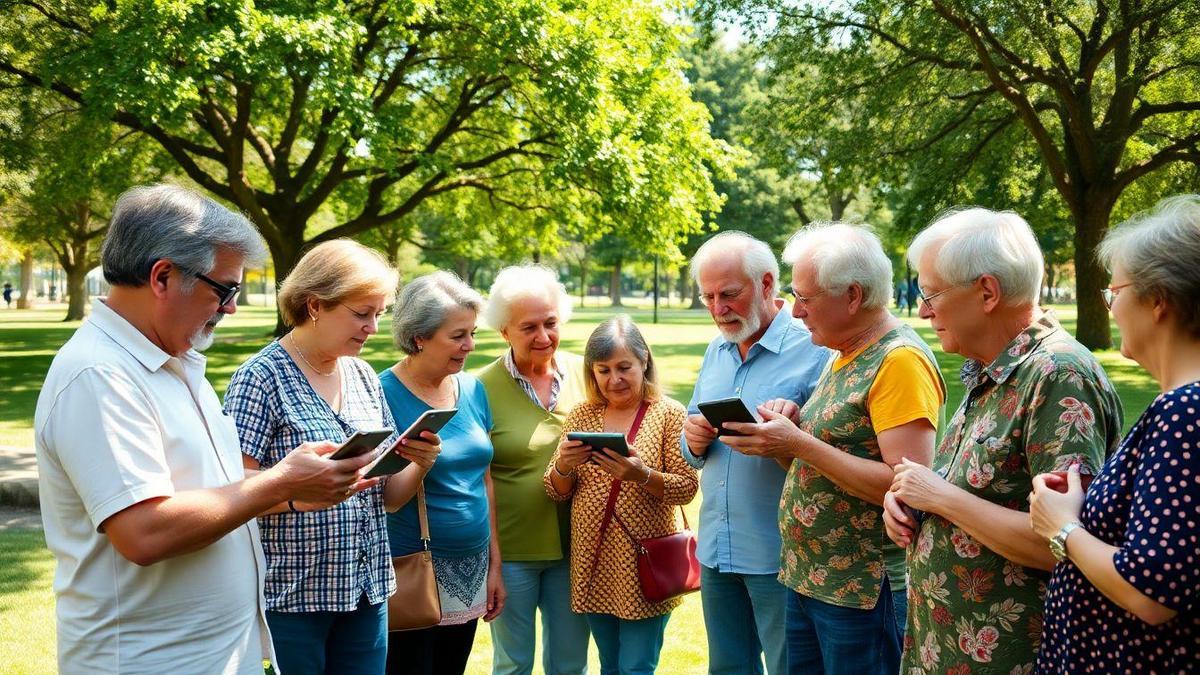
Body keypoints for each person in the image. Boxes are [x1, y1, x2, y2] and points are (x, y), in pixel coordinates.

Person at [34, 184, 378, 673]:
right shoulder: (99, 375)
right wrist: (280, 482)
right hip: (147, 661)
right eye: (226, 289)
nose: (232, 307)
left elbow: (215, 495)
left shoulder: (174, 363)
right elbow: (143, 532)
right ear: (163, 277)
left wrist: (298, 489)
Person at [884, 207, 1123, 674]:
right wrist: (913, 506)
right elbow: (989, 490)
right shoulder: (994, 368)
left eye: (931, 293)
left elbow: (1067, 543)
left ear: (987, 292)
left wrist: (941, 497)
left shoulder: (1057, 375)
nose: (924, 309)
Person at [722, 223, 945, 674]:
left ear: (853, 296)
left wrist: (800, 442)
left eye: (806, 298)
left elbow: (910, 490)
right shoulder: (842, 351)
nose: (797, 311)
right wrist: (788, 431)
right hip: (811, 580)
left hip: (861, 591)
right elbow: (814, 457)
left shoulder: (899, 360)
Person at [224, 240, 441, 674]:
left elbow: (390, 497)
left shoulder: (362, 375)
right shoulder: (260, 377)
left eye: (379, 313)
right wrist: (295, 496)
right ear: (315, 305)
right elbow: (232, 498)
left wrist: (420, 459)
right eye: (362, 313)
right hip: (293, 597)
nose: (374, 328)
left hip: (367, 591)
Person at [1030, 195, 1200, 672]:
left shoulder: (1185, 412)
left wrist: (1062, 527)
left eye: (1115, 291)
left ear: (1159, 300)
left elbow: (1151, 593)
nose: (1110, 306)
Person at [681, 231, 829, 674]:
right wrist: (693, 438)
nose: (717, 308)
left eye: (729, 294)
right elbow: (691, 448)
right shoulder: (715, 350)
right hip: (716, 548)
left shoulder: (816, 348)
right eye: (707, 296)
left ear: (767, 284)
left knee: (789, 667)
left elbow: (831, 452)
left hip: (779, 554)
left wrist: (792, 431)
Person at [546, 315, 698, 675]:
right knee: (609, 665)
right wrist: (564, 466)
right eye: (603, 370)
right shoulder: (583, 414)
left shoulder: (668, 414)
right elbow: (555, 490)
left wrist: (641, 474)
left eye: (624, 367)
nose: (614, 379)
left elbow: (687, 488)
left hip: (643, 563)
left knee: (636, 666)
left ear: (644, 360)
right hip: (593, 560)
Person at [382, 271, 500, 675]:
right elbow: (384, 497)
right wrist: (421, 460)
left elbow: (485, 481)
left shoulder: (472, 389)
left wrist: (495, 566)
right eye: (457, 336)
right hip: (414, 569)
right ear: (420, 337)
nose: (470, 345)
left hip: (471, 565)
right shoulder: (380, 393)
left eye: (472, 332)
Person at [478, 264, 591, 675]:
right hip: (512, 553)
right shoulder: (479, 387)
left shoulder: (587, 373)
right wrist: (492, 562)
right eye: (528, 327)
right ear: (504, 330)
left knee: (570, 664)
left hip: (577, 548)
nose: (543, 337)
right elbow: (477, 478)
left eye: (550, 323)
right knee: (513, 664)